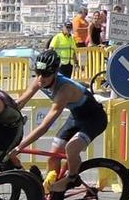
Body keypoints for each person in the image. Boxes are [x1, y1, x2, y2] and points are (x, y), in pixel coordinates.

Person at [12, 53, 108, 191]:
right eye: (38, 73)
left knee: (71, 148)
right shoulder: (40, 80)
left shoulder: (65, 89)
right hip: (76, 117)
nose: (40, 79)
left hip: (94, 119)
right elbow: (20, 103)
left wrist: (19, 147)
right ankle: (50, 192)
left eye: (45, 75)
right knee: (53, 156)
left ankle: (72, 178)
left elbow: (45, 126)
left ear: (55, 73)